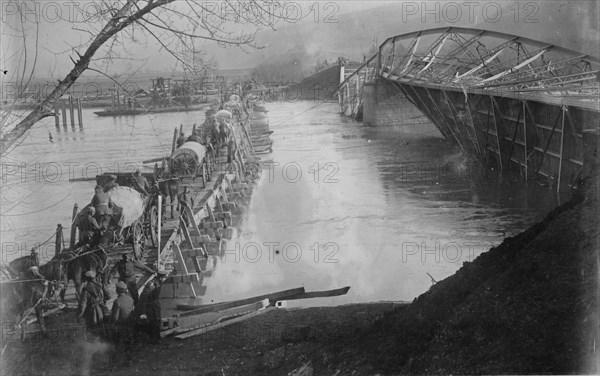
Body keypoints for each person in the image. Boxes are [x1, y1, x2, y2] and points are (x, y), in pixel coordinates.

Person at [137, 270, 169, 343]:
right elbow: (143, 297)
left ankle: (157, 338)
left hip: (155, 305)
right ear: (161, 278)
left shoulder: (158, 282)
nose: (165, 279)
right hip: (150, 306)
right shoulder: (151, 284)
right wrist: (143, 312)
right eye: (165, 278)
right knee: (152, 322)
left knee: (157, 321)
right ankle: (153, 339)